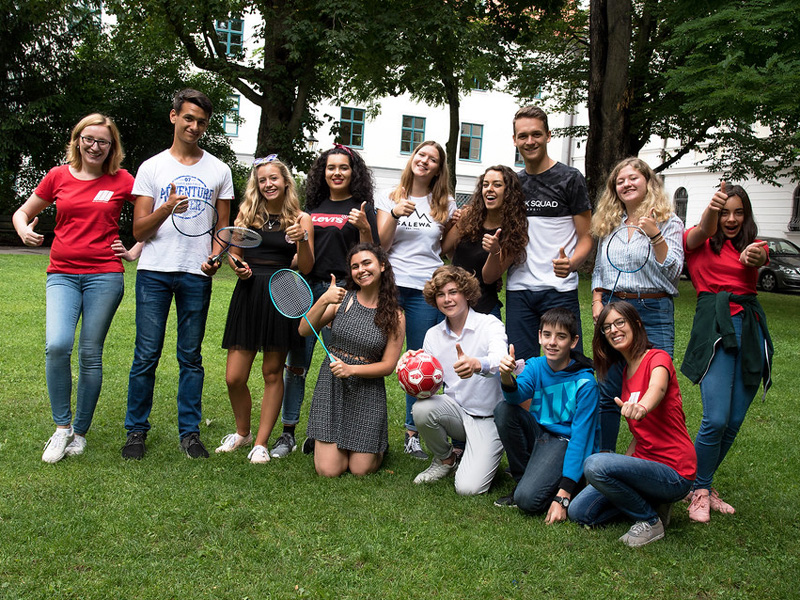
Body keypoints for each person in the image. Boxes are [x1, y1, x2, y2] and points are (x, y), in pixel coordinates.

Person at [13, 113, 141, 463]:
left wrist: (133, 250)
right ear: (77, 139)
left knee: (89, 353)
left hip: (105, 276)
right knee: (57, 345)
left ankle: (80, 432)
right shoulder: (58, 176)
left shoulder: (122, 180)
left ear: (112, 146)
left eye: (103, 141)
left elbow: (152, 219)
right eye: (88, 138)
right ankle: (61, 428)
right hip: (63, 274)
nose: (95, 146)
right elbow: (22, 212)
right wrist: (23, 229)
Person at [122, 89, 234, 460]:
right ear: (174, 117)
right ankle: (136, 431)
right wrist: (167, 207)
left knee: (191, 357)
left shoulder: (219, 170)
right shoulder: (152, 168)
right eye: (188, 118)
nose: (194, 126)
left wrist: (215, 259)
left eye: (201, 121)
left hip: (195, 274)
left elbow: (223, 228)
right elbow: (139, 231)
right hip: (154, 271)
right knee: (146, 355)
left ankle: (190, 434)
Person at [277, 144, 379, 459]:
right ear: (323, 172)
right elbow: (304, 259)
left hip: (345, 293)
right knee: (296, 365)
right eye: (331, 167)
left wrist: (363, 228)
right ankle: (288, 432)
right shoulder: (311, 207)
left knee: (336, 365)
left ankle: (325, 433)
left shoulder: (363, 208)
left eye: (343, 167)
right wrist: (295, 245)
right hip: (310, 292)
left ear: (353, 172)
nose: (336, 172)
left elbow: (371, 255)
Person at [568, 302, 696, 548]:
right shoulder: (626, 373)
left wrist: (643, 407)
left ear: (636, 324)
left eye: (619, 323)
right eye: (606, 327)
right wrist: (622, 468)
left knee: (595, 464)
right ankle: (652, 506)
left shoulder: (657, 358)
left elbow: (656, 388)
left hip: (674, 471)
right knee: (581, 512)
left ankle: (649, 521)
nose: (613, 330)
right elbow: (640, 434)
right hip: (645, 465)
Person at [681, 182, 772, 523]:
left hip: (749, 328)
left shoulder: (754, 244)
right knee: (715, 418)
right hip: (716, 329)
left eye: (738, 212)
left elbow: (760, 256)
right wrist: (711, 209)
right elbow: (700, 229)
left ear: (746, 215)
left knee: (733, 422)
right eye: (724, 212)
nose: (731, 219)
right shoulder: (699, 240)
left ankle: (699, 485)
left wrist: (756, 255)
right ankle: (700, 490)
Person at [216, 156, 314, 463]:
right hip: (248, 293)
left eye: (274, 178)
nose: (268, 184)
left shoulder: (301, 219)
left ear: (286, 181)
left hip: (281, 293)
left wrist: (304, 240)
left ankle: (260, 443)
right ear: (256, 185)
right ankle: (242, 432)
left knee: (273, 373)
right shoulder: (247, 216)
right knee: (234, 376)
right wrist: (239, 268)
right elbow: (234, 257)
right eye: (262, 180)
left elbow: (307, 266)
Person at [590, 157, 684, 452]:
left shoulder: (669, 221)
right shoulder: (610, 226)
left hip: (654, 310)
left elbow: (674, 270)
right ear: (614, 189)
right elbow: (599, 269)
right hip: (617, 311)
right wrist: (596, 301)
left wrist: (655, 234)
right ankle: (602, 462)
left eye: (633, 178)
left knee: (655, 390)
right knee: (607, 391)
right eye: (620, 181)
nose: (627, 184)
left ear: (648, 183)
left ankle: (648, 459)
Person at [376, 141, 458, 459]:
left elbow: (446, 249)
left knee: (419, 363)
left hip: (425, 291)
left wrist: (460, 225)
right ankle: (366, 426)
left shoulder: (446, 203)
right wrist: (395, 214)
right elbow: (381, 244)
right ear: (412, 159)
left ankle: (413, 433)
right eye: (421, 155)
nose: (425, 161)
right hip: (391, 287)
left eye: (432, 159)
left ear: (439, 168)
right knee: (376, 354)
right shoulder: (390, 195)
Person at [401, 266, 507, 496]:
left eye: (453, 292)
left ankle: (484, 453)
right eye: (441, 294)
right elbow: (429, 386)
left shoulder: (489, 324)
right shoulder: (434, 335)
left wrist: (477, 364)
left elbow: (502, 359)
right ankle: (446, 460)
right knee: (421, 409)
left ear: (467, 293)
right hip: (456, 412)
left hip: (488, 418)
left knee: (468, 489)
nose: (447, 299)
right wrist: (411, 368)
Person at [303, 243, 405, 477]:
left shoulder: (395, 315)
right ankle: (322, 440)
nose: (361, 270)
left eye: (367, 263)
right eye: (355, 266)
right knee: (329, 471)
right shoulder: (342, 300)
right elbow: (304, 329)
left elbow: (388, 366)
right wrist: (324, 300)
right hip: (332, 386)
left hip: (367, 391)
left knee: (361, 470)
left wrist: (352, 370)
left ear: (381, 265)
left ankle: (378, 444)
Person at [494, 308, 599, 523]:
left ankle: (569, 482)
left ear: (573, 341)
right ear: (540, 336)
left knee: (527, 501)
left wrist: (564, 495)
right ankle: (524, 479)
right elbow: (515, 398)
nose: (552, 342)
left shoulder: (586, 383)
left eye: (561, 337)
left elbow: (580, 439)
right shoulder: (535, 365)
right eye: (548, 335)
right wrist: (506, 377)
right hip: (541, 433)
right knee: (504, 410)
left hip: (564, 441)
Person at [507, 106, 593, 359]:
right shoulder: (513, 183)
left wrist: (572, 264)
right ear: (514, 140)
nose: (529, 141)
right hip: (519, 289)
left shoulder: (570, 178)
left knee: (566, 365)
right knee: (520, 366)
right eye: (523, 136)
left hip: (559, 289)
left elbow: (587, 237)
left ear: (548, 135)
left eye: (536, 134)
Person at [443, 165, 528, 318]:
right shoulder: (468, 217)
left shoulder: (514, 231)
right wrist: (449, 223)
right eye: (485, 184)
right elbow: (444, 249)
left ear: (509, 192)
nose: (489, 189)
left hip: (484, 308)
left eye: (497, 185)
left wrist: (494, 252)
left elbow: (489, 278)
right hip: (453, 303)